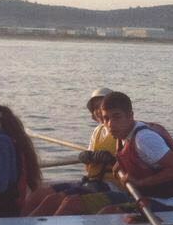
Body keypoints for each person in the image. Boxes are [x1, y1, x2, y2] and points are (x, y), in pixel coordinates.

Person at [28, 87, 125, 216]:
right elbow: (88, 165)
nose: (98, 112)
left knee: (56, 200)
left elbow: (130, 161)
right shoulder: (97, 131)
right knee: (39, 194)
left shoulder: (122, 131)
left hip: (112, 186)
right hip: (93, 181)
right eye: (95, 108)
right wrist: (87, 157)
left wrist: (112, 159)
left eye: (101, 107)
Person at [99, 91, 173, 212]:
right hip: (137, 197)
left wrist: (140, 183)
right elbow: (137, 157)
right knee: (73, 202)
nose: (110, 124)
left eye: (116, 117)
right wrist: (119, 164)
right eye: (106, 118)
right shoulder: (122, 133)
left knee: (106, 212)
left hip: (162, 204)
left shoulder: (144, 139)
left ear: (130, 116)